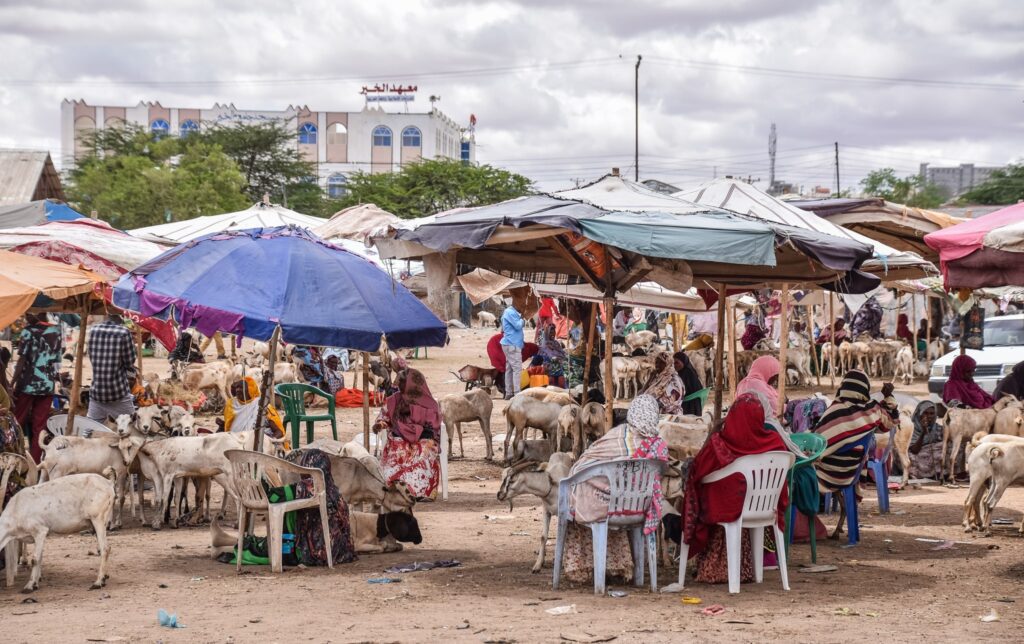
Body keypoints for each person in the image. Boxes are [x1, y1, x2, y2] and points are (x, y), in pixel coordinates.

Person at [678, 393, 789, 584]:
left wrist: (713, 431)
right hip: (764, 508)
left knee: (706, 496)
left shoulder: (720, 442)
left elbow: (696, 469)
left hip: (728, 510)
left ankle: (712, 567)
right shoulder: (775, 443)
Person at [561, 394, 668, 584]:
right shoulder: (659, 446)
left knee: (580, 493)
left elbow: (580, 466)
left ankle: (586, 567)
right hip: (639, 509)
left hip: (607, 508)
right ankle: (622, 567)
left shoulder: (617, 437)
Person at [813, 370, 893, 498]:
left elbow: (815, 446)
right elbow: (890, 422)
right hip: (853, 473)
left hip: (826, 475)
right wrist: (887, 396)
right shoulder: (872, 411)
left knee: (799, 470)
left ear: (843, 387)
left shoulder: (834, 410)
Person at [375, 362, 442, 499]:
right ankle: (396, 491)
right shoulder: (394, 400)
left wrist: (412, 410)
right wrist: (380, 424)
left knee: (424, 451)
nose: (399, 386)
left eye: (403, 383)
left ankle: (420, 492)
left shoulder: (430, 403)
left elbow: (433, 424)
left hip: (423, 438)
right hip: (399, 438)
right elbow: (384, 417)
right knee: (398, 451)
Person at [11, 313, 62, 462]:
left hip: (28, 384)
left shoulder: (28, 331)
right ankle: (35, 462)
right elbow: (54, 360)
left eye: (28, 312)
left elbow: (22, 361)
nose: (26, 316)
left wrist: (13, 383)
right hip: (47, 385)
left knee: (16, 422)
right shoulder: (56, 331)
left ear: (36, 313)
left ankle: (14, 458)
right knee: (39, 426)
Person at [86, 313, 138, 424]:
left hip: (96, 393)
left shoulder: (93, 330)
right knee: (133, 427)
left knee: (89, 430)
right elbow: (130, 362)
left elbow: (91, 356)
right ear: (121, 320)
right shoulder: (124, 332)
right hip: (118, 393)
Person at [736, 355, 781, 421]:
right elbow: (776, 409)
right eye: (775, 375)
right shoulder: (755, 384)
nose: (776, 379)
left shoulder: (747, 382)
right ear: (767, 371)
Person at [908, 401, 943, 480]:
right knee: (912, 458)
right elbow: (914, 450)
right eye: (925, 413)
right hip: (917, 453)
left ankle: (939, 473)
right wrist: (923, 432)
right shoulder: (911, 427)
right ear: (919, 414)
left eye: (931, 413)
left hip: (930, 453)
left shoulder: (937, 428)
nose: (929, 416)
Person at [500, 300, 525, 400]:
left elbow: (502, 329)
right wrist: (523, 319)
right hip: (512, 344)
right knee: (517, 369)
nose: (522, 308)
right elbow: (518, 325)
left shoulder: (510, 312)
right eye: (521, 305)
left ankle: (509, 392)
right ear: (516, 303)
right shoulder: (510, 312)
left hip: (510, 344)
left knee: (510, 369)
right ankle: (517, 393)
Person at [673, 351, 705, 416]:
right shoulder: (680, 373)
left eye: (677, 363)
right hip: (688, 403)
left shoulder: (688, 373)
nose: (675, 365)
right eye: (673, 363)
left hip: (691, 405)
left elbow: (684, 390)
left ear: (684, 362)